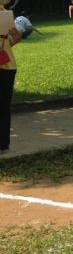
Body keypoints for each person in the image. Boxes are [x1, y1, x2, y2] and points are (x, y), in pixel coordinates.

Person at [0, 23, 22, 155]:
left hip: (7, 66)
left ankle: (3, 145)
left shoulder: (3, 13)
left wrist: (16, 38)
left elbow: (8, 42)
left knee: (3, 106)